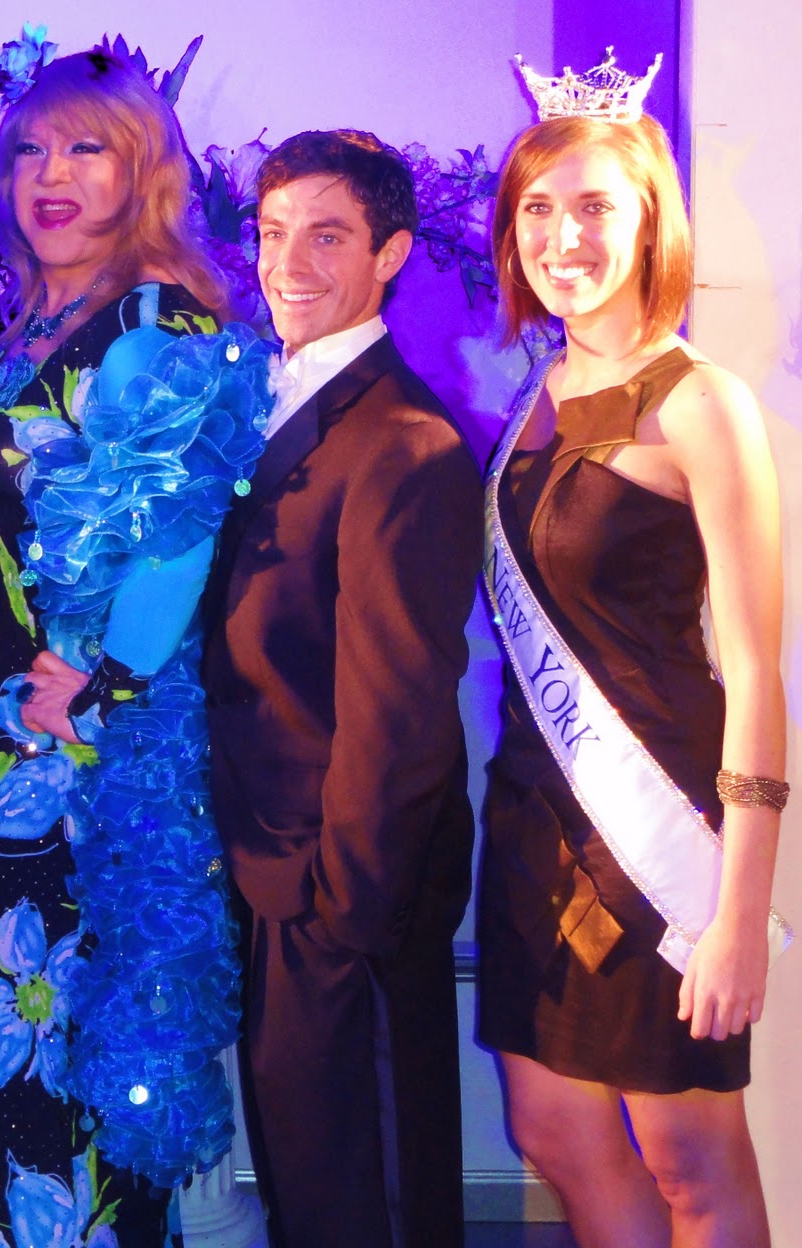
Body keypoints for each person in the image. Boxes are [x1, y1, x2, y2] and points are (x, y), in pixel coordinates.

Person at [0, 49, 267, 1245]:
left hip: (80, 744)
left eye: (85, 150)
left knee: (46, 1024)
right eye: (28, 150)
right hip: (9, 735)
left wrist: (106, 677)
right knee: (8, 1022)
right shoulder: (35, 321)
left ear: (143, 173)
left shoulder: (155, 322)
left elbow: (180, 525)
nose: (50, 175)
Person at [477, 72, 787, 1246]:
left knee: (689, 1158)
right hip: (532, 816)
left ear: (651, 218)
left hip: (656, 827)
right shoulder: (539, 391)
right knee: (554, 1129)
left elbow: (754, 670)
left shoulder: (699, 403)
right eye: (537, 210)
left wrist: (738, 912)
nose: (563, 237)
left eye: (594, 206)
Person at [203, 130, 483, 1248]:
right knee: (307, 1185)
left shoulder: (404, 442)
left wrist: (342, 909)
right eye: (273, 233)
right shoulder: (258, 396)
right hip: (264, 862)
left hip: (340, 886)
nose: (288, 263)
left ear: (390, 254)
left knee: (366, 1197)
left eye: (326, 236)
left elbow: (398, 706)